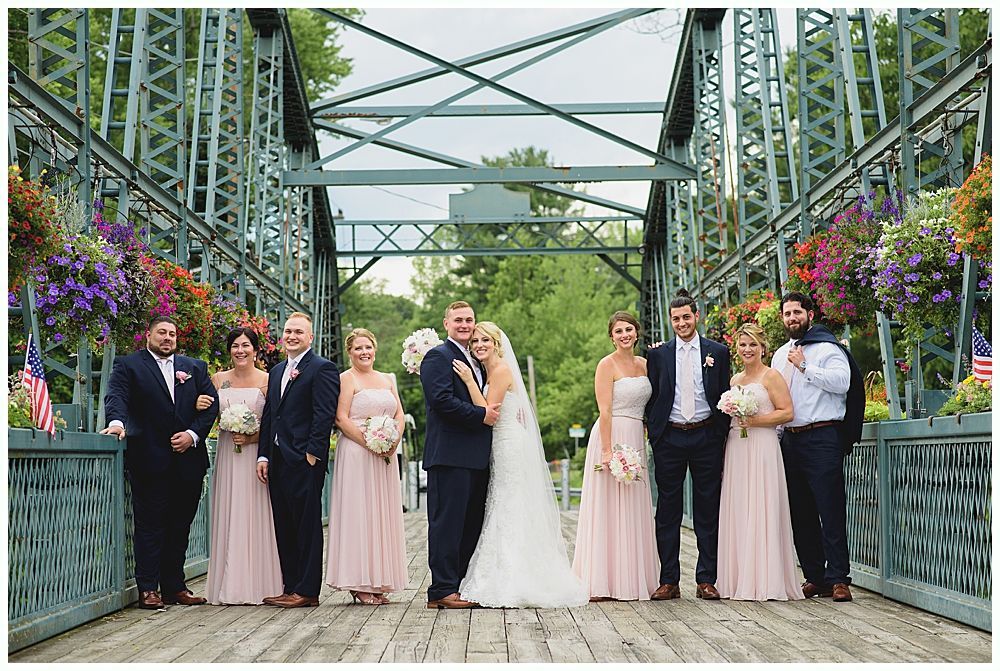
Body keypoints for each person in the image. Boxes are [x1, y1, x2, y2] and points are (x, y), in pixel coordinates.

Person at [453, 322, 589, 608]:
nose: (479, 344)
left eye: (485, 340)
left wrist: (467, 382)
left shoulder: (500, 370)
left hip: (508, 445)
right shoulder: (489, 370)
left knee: (508, 502)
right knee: (504, 502)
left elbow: (487, 412)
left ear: (497, 342)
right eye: (475, 340)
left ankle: (514, 575)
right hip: (500, 443)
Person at [101, 315, 219, 609]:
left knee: (180, 525)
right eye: (162, 333)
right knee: (150, 525)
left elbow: (212, 404)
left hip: (188, 460)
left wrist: (192, 435)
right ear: (148, 334)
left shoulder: (194, 367)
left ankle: (174, 587)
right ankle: (148, 588)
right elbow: (117, 396)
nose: (168, 338)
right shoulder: (129, 365)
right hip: (149, 458)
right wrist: (116, 422)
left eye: (172, 334)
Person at [772, 291, 860, 603]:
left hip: (822, 436)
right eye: (787, 314)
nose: (792, 318)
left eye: (797, 312)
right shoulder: (780, 353)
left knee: (830, 508)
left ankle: (839, 578)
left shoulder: (828, 348)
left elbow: (843, 383)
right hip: (790, 440)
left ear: (810, 314)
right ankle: (815, 576)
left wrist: (806, 367)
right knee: (801, 511)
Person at [645, 290, 731, 601]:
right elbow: (652, 395)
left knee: (707, 508)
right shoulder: (658, 354)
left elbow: (723, 393)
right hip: (670, 437)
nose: (681, 323)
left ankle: (706, 579)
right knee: (668, 510)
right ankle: (669, 580)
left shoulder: (718, 352)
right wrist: (656, 434)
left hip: (706, 435)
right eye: (676, 318)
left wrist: (720, 434)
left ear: (697, 317)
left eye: (686, 317)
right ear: (670, 321)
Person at [572, 311, 660, 601]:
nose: (624, 335)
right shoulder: (605, 365)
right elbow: (605, 410)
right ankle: (602, 581)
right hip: (611, 435)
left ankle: (633, 578)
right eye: (618, 331)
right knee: (608, 506)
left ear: (637, 333)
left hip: (635, 436)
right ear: (611, 336)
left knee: (633, 504)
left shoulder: (645, 364)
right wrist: (608, 452)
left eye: (629, 330)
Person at [420, 301, 501, 609]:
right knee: (446, 525)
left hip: (477, 458)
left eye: (469, 319)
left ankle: (460, 584)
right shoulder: (438, 356)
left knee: (470, 525)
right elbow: (440, 400)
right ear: (446, 324)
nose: (465, 325)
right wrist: (480, 415)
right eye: (459, 320)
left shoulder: (478, 360)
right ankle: (441, 589)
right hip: (449, 455)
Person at [256, 312, 340, 608]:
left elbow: (324, 413)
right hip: (277, 458)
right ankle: (290, 586)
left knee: (306, 525)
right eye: (288, 331)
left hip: (305, 459)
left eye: (299, 332)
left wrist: (313, 453)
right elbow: (270, 415)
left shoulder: (322, 368)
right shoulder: (277, 370)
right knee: (284, 523)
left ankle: (307, 590)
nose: (292, 336)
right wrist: (264, 454)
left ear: (310, 337)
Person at [716, 324, 803, 601]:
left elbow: (787, 412)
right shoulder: (734, 381)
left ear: (762, 347)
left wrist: (753, 421)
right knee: (741, 507)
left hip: (763, 446)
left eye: (752, 344)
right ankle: (741, 577)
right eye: (742, 345)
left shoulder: (771, 376)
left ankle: (767, 578)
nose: (747, 349)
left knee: (763, 506)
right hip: (738, 447)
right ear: (737, 349)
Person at [195, 328, 282, 605]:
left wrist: (253, 437)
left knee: (258, 514)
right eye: (235, 346)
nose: (240, 350)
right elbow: (205, 412)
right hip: (228, 455)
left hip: (257, 456)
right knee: (230, 512)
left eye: (246, 345)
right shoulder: (218, 379)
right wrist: (197, 403)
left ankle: (261, 583)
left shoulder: (269, 381)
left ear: (256, 350)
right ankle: (228, 584)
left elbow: (275, 422)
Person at [325, 328, 408, 605]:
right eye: (358, 348)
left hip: (385, 455)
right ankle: (358, 581)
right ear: (350, 352)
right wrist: (369, 442)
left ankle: (379, 579)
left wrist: (393, 438)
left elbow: (398, 413)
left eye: (368, 347)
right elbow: (341, 417)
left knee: (380, 514)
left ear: (375, 349)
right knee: (359, 513)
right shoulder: (346, 379)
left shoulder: (386, 379)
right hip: (358, 452)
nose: (364, 352)